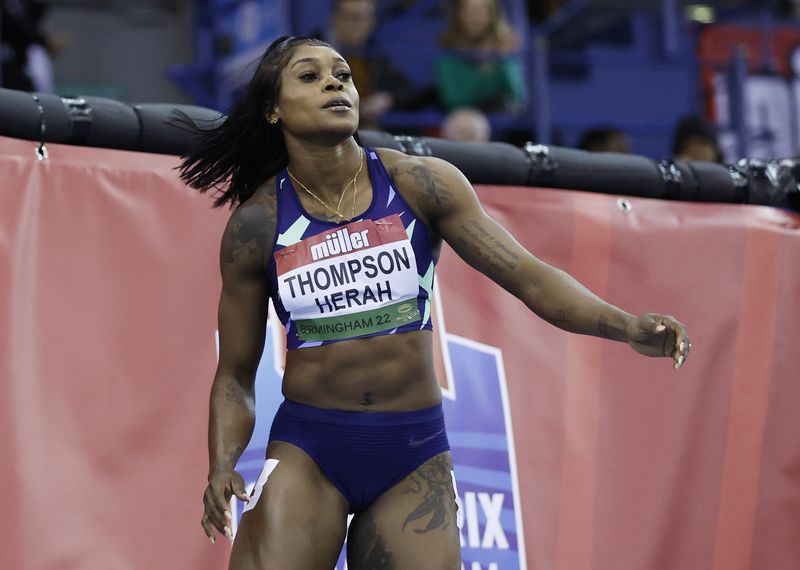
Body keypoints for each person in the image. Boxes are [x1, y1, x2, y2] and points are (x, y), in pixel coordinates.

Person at [178, 35, 691, 569]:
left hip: (411, 453)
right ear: (272, 109)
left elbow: (530, 278)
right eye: (310, 76)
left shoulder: (420, 184)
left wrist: (627, 326)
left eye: (343, 74)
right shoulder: (257, 225)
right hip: (310, 448)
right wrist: (222, 464)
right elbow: (236, 375)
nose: (335, 82)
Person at [323, 0, 425, 129]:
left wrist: (387, 98)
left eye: (366, 18)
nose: (359, 25)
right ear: (335, 18)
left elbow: (406, 90)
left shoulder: (375, 52)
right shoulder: (313, 51)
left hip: (368, 126)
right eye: (354, 17)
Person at [436, 0, 526, 113]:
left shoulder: (504, 51)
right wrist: (481, 67)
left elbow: (517, 96)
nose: (474, 17)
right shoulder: (447, 50)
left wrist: (504, 61)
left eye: (481, 11)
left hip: (500, 118)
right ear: (458, 14)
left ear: (493, 15)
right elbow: (453, 100)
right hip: (462, 117)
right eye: (469, 11)